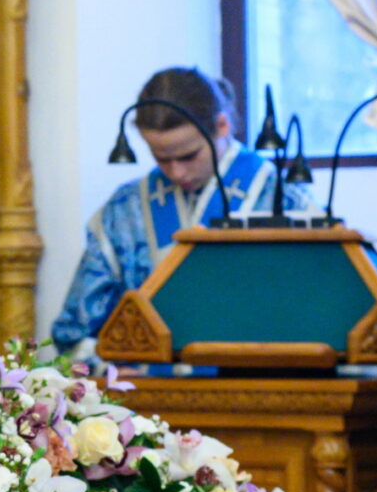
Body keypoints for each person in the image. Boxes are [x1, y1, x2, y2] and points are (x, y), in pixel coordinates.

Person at [50, 67, 294, 354]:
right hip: (146, 381)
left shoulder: (283, 200)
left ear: (222, 125)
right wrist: (111, 365)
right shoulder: (125, 211)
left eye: (189, 156)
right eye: (162, 158)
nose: (177, 172)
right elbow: (72, 333)